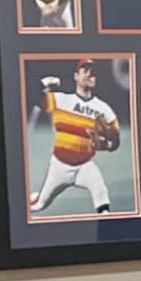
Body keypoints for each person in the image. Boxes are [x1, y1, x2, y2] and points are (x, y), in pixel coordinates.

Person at [34, 62, 125, 212]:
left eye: (93, 73)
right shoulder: (60, 99)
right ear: (76, 76)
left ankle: (107, 220)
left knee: (100, 191)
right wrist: (44, 83)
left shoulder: (104, 109)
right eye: (85, 71)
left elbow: (116, 140)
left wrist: (108, 146)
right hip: (59, 167)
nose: (90, 75)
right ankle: (33, 200)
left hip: (84, 166)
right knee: (39, 205)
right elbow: (33, 96)